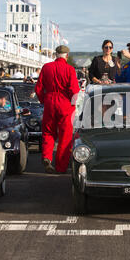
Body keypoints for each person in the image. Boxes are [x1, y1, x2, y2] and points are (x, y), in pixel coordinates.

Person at [35, 45, 80, 174]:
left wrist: (44, 100)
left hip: (50, 101)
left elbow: (38, 88)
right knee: (65, 137)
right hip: (65, 103)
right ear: (67, 55)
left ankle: (47, 156)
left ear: (56, 55)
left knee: (48, 131)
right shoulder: (70, 69)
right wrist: (73, 103)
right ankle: (61, 167)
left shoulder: (46, 67)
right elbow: (74, 90)